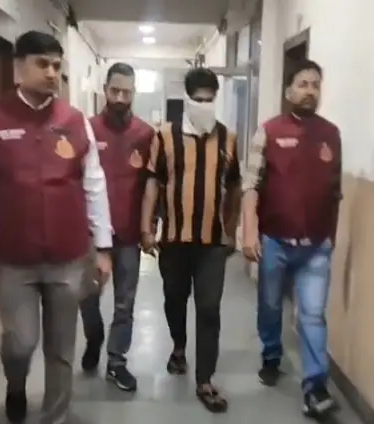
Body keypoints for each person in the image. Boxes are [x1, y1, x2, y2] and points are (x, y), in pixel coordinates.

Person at [0, 31, 113, 424]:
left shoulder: (75, 121)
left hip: (68, 257)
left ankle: (55, 417)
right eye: (42, 64)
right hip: (14, 260)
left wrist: (102, 247)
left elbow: (94, 185)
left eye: (56, 66)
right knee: (20, 342)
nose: (51, 73)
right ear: (19, 67)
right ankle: (15, 384)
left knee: (61, 349)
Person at [241, 59, 342, 419]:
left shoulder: (331, 134)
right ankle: (271, 353)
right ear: (288, 91)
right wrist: (249, 231)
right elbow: (251, 185)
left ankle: (315, 387)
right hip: (275, 242)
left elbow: (335, 191)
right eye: (303, 84)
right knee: (270, 305)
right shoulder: (268, 131)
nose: (310, 90)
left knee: (313, 315)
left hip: (316, 247)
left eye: (315, 84)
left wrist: (330, 236)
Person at [141, 68, 241, 413]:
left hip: (212, 242)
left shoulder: (228, 138)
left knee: (209, 308)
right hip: (174, 239)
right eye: (198, 99)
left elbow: (235, 186)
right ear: (187, 100)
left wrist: (232, 229)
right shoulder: (165, 137)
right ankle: (179, 347)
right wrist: (146, 227)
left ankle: (205, 380)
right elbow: (153, 182)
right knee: (174, 299)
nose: (204, 105)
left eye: (209, 99)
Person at [79, 63, 155, 392]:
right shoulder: (86, 129)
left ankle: (116, 360)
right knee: (87, 297)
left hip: (127, 236)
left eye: (127, 92)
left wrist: (149, 226)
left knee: (125, 302)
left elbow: (152, 185)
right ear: (105, 90)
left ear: (134, 92)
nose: (121, 98)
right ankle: (94, 337)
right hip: (90, 236)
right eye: (115, 91)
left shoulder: (146, 134)